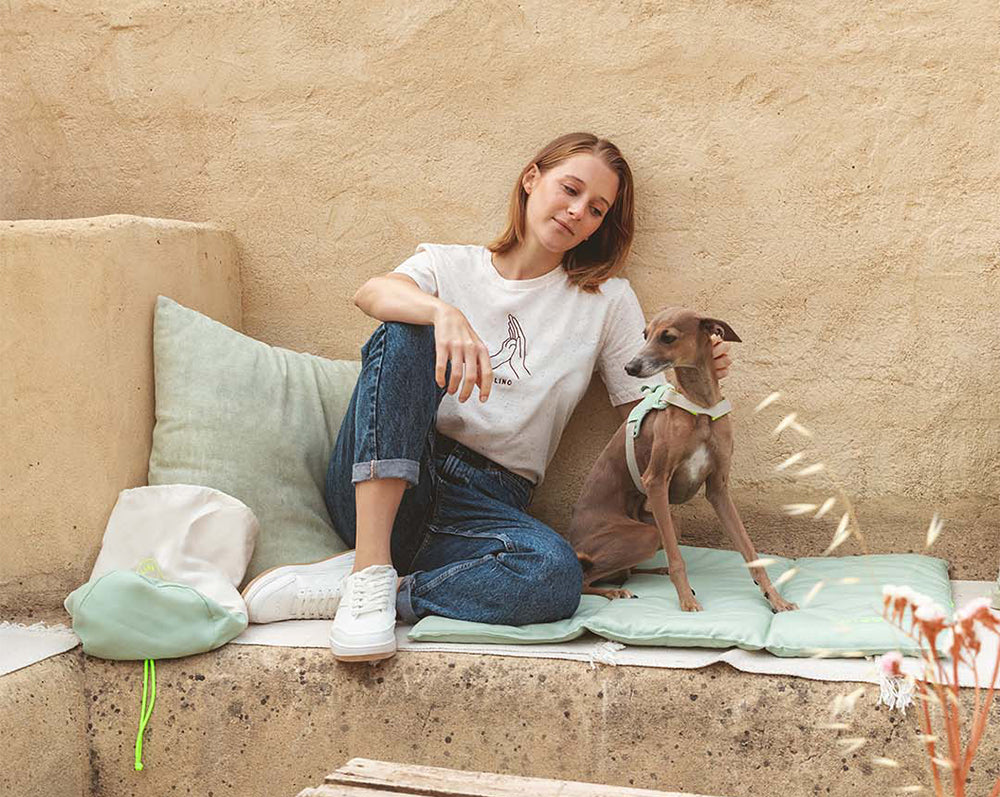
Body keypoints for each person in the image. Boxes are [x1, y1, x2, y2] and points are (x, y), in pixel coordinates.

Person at [243, 132, 732, 662]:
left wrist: (694, 376)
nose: (576, 212)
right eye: (569, 189)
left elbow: (646, 417)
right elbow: (371, 293)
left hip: (488, 504)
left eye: (596, 210)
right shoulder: (450, 265)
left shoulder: (606, 300)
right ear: (531, 179)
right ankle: (368, 569)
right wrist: (442, 313)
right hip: (393, 470)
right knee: (406, 326)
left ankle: (382, 588)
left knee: (556, 577)